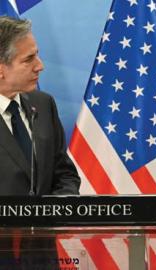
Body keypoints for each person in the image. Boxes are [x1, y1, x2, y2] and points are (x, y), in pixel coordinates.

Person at [0, 16, 80, 269]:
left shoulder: (43, 105)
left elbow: (63, 171)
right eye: (28, 59)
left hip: (41, 258)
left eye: (37, 55)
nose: (40, 66)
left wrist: (60, 206)